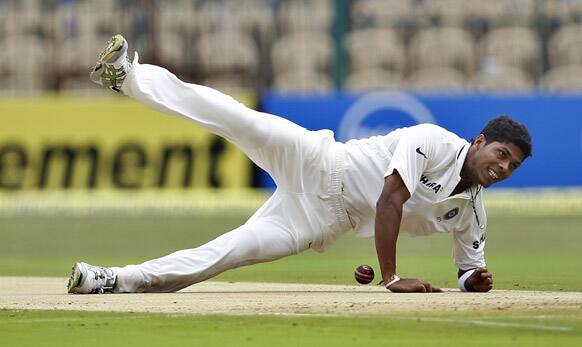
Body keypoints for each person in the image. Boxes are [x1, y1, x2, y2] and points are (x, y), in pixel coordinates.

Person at [67, 35, 532, 294]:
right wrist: (390, 277)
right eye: (501, 154)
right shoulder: (432, 140)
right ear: (480, 142)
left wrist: (476, 279)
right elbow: (392, 197)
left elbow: (469, 271)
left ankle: (109, 280)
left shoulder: (472, 213)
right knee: (235, 117)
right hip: (319, 161)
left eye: (511, 166)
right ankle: (128, 76)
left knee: (227, 253)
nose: (502, 168)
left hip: (324, 220)